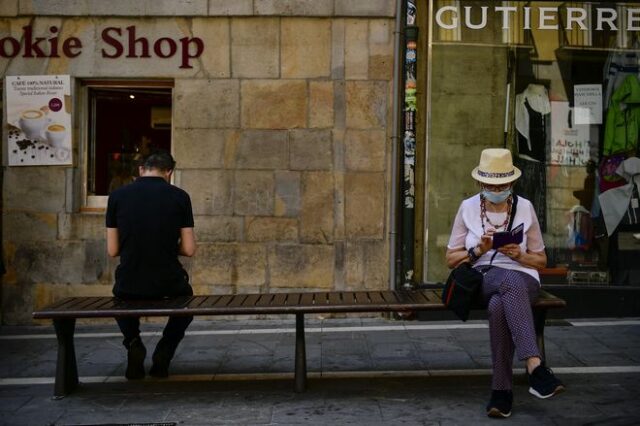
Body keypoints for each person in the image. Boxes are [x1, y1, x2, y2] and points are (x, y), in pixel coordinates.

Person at [445, 148, 564, 418]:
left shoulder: (525, 207)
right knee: (504, 283)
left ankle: (501, 393)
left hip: (523, 277)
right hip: (484, 277)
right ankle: (535, 366)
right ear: (480, 183)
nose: (496, 188)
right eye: (490, 184)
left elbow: (541, 260)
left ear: (511, 183)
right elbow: (451, 259)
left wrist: (520, 255)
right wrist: (478, 250)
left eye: (502, 184)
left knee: (500, 305)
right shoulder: (468, 208)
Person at [106, 150, 196, 380]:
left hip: (130, 283)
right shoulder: (180, 196)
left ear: (140, 170)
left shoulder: (117, 196)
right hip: (169, 283)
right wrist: (165, 245)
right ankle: (164, 351)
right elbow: (189, 249)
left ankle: (134, 342)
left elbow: (113, 250)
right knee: (186, 305)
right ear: (169, 172)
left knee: (121, 299)